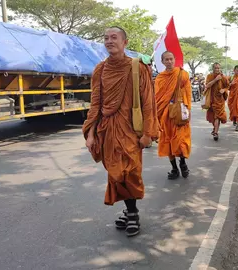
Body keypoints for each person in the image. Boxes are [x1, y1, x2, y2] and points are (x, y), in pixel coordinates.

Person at [83, 26, 159, 237]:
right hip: (107, 130)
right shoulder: (100, 69)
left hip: (131, 131)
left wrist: (147, 133)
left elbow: (148, 103)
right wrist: (90, 134)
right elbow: (95, 104)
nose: (109, 41)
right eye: (106, 38)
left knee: (130, 172)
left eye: (114, 37)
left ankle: (132, 213)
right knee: (116, 173)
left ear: (125, 42)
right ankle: (129, 210)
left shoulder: (138, 68)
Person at [154, 51, 192, 180]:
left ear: (174, 59)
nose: (169, 61)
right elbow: (157, 97)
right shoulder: (160, 78)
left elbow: (188, 93)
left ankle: (182, 163)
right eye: (166, 59)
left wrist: (188, 109)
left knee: (180, 139)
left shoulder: (182, 74)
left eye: (171, 59)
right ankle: (174, 168)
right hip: (165, 114)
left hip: (180, 113)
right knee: (168, 141)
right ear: (162, 61)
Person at [205, 63, 230, 141]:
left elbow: (228, 86)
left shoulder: (223, 77)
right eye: (216, 68)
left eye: (218, 68)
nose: (217, 70)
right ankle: (215, 129)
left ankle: (215, 132)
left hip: (220, 100)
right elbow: (207, 85)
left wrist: (224, 90)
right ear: (213, 69)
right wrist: (215, 80)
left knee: (217, 116)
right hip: (211, 99)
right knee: (213, 117)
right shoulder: (209, 76)